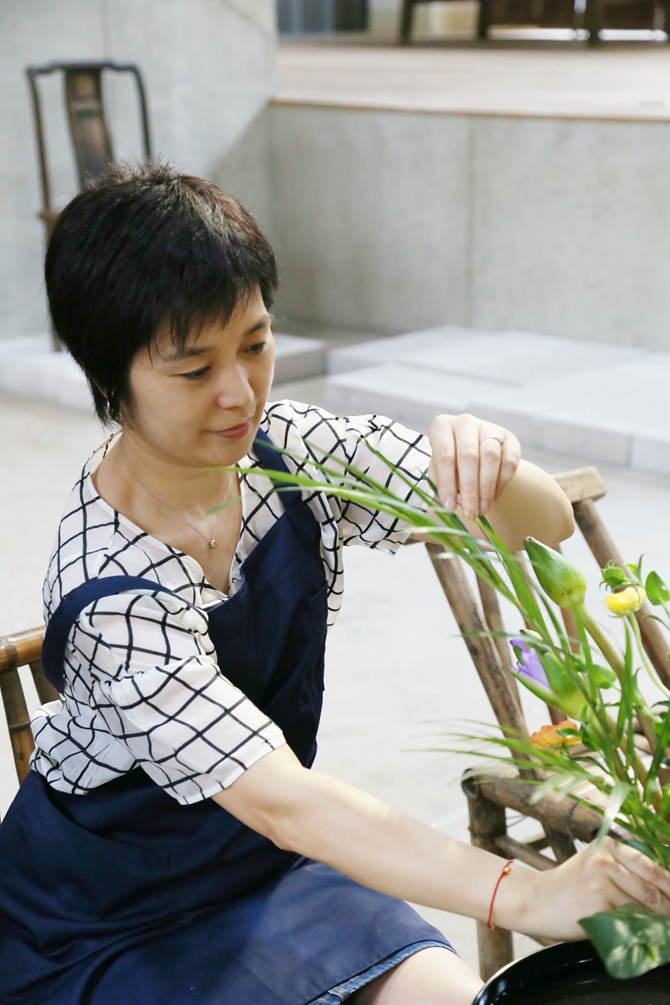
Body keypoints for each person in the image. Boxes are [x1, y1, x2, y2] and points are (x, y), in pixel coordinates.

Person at [1, 164, 668, 1005]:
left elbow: (544, 528)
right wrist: (527, 894)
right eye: (194, 369)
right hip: (104, 919)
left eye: (255, 343)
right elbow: (283, 800)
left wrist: (495, 465)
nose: (239, 393)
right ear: (111, 375)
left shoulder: (290, 452)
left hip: (264, 864)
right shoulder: (109, 592)